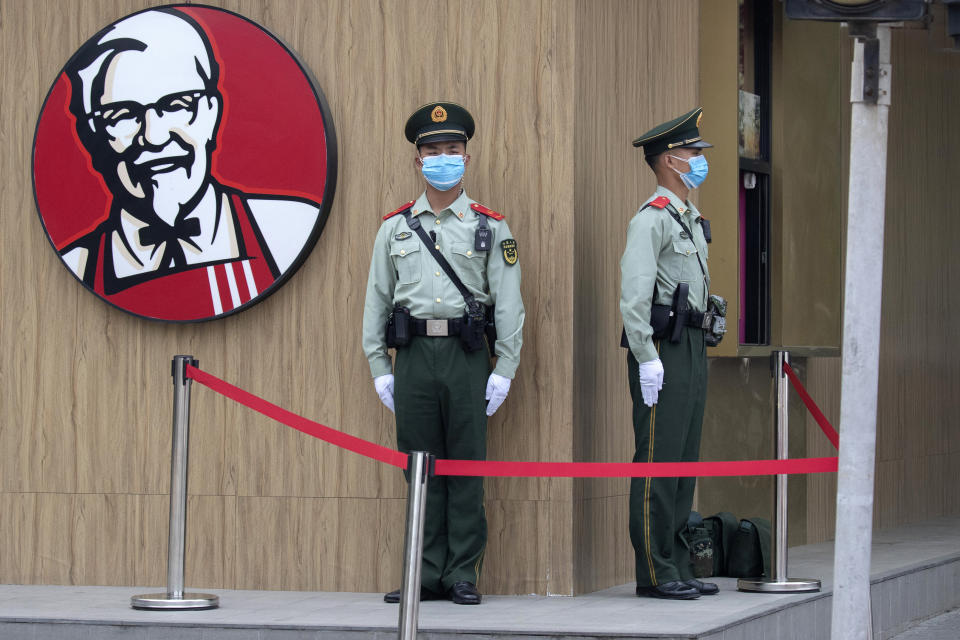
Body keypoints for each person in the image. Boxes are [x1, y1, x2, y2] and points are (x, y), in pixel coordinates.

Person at [362, 102, 524, 605]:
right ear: (418, 160)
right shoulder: (395, 228)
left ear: (467, 159)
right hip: (412, 358)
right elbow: (376, 299)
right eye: (433, 151)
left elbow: (510, 300)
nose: (443, 159)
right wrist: (378, 366)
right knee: (420, 466)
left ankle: (461, 574)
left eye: (452, 151)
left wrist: (506, 369)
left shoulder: (491, 227)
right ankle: (423, 572)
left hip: (467, 355)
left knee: (467, 466)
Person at [59, 8, 321, 319]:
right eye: (123, 115)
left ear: (211, 114)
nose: (154, 137)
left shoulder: (282, 230)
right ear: (92, 137)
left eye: (176, 105)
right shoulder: (79, 263)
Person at [621, 107, 719, 600]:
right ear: (667, 161)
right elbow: (634, 297)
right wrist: (646, 357)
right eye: (692, 153)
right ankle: (655, 570)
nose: (700, 160)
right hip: (663, 347)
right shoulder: (652, 220)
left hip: (693, 345)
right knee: (658, 457)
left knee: (683, 458)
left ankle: (678, 561)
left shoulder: (689, 219)